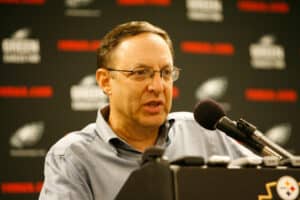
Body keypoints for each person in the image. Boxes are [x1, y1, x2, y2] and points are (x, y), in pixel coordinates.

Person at [39, 21, 255, 200]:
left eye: (166, 72)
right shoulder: (71, 157)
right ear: (105, 81)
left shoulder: (201, 132)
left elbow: (269, 183)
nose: (158, 86)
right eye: (141, 73)